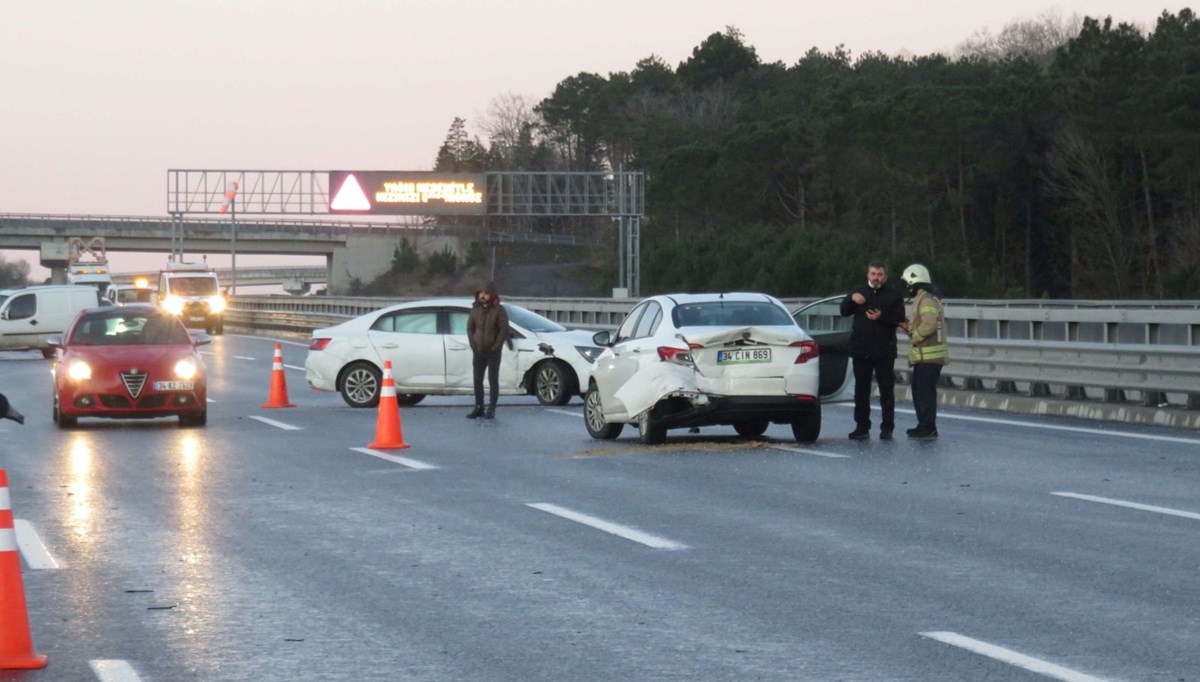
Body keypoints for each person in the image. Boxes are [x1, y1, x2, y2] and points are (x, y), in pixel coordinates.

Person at [840, 261, 905, 440]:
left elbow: (900, 318)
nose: (876, 278)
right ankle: (862, 427)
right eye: (873, 274)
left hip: (885, 350)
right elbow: (844, 311)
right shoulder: (858, 291)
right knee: (861, 390)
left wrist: (881, 317)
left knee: (886, 390)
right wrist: (851, 299)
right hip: (861, 349)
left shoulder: (893, 294)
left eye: (880, 274)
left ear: (885, 277)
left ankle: (887, 427)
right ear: (868, 275)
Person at [898, 264, 948, 439]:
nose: (908, 288)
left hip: (929, 357)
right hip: (925, 357)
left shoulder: (925, 299)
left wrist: (914, 336)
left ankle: (928, 427)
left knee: (924, 393)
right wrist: (908, 327)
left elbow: (929, 324)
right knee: (920, 391)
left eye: (908, 284)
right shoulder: (925, 297)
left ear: (914, 282)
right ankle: (924, 425)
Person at [466, 282, 509, 420]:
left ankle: (492, 408)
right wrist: (473, 344)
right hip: (478, 350)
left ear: (492, 295)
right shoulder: (475, 309)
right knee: (477, 379)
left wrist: (496, 346)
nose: (483, 296)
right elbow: (470, 328)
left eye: (486, 293)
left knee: (492, 379)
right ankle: (479, 407)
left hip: (493, 351)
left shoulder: (499, 310)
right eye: (481, 293)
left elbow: (504, 329)